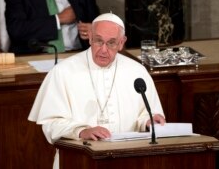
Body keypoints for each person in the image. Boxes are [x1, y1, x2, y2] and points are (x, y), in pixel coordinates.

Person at [28, 13, 165, 168]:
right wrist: (80, 131)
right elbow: (50, 124)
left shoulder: (137, 72)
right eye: (99, 41)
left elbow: (147, 114)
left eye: (112, 43)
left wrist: (149, 121)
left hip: (127, 160)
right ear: (90, 38)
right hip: (79, 161)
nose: (104, 50)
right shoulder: (62, 72)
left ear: (121, 43)